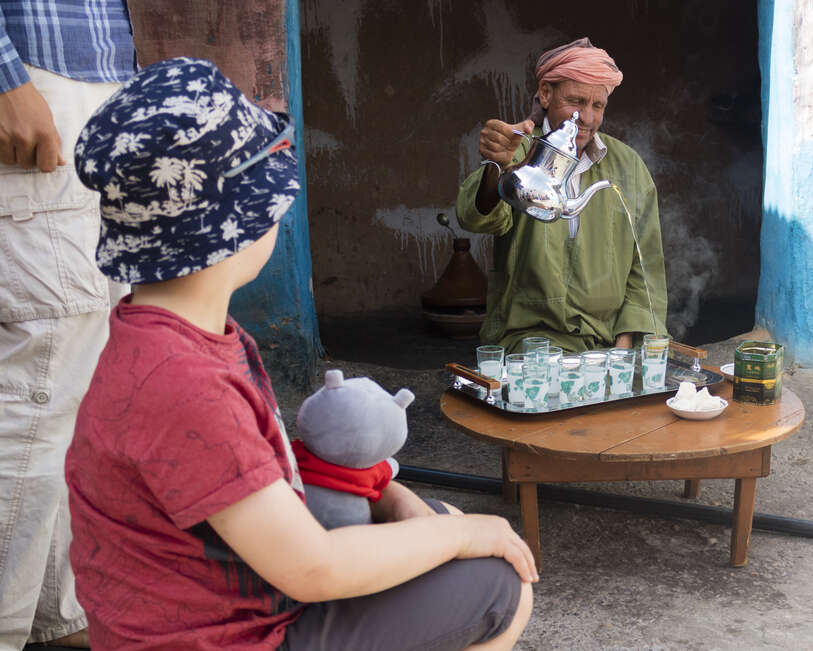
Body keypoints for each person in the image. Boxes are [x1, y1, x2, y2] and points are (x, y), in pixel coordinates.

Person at [65, 58, 536, 650]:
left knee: (434, 520)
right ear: (236, 222)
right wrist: (468, 535)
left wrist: (387, 493)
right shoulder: (185, 381)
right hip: (228, 636)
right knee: (499, 582)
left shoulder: (163, 337)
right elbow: (313, 568)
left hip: (215, 603)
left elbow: (259, 478)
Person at [0, 2, 136, 647]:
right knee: (39, 387)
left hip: (93, 84)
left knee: (74, 388)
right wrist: (5, 80)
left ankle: (53, 614)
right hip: (34, 82)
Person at [456, 37, 669, 353]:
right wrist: (496, 166)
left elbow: (645, 266)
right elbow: (475, 218)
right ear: (545, 93)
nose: (587, 118)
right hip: (532, 339)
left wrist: (626, 344)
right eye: (576, 101)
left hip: (611, 341)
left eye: (598, 106)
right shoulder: (521, 150)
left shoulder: (628, 166)